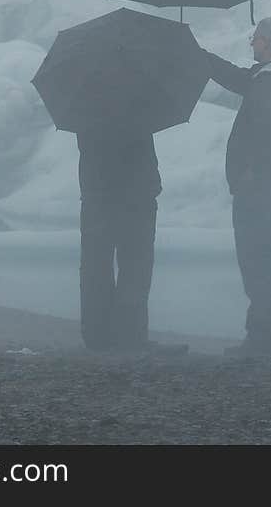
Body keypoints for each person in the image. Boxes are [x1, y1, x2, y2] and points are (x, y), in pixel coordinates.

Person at [201, 17, 271, 357]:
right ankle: (266, 334)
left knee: (261, 257)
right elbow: (238, 78)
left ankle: (267, 338)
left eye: (257, 38)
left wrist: (249, 174)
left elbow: (266, 137)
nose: (252, 43)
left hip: (261, 186)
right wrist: (199, 55)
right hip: (263, 185)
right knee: (264, 257)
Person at [76, 128, 188, 356]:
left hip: (98, 189)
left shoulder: (85, 104)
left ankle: (97, 334)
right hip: (135, 191)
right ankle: (130, 334)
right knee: (136, 265)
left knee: (97, 263)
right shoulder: (139, 98)